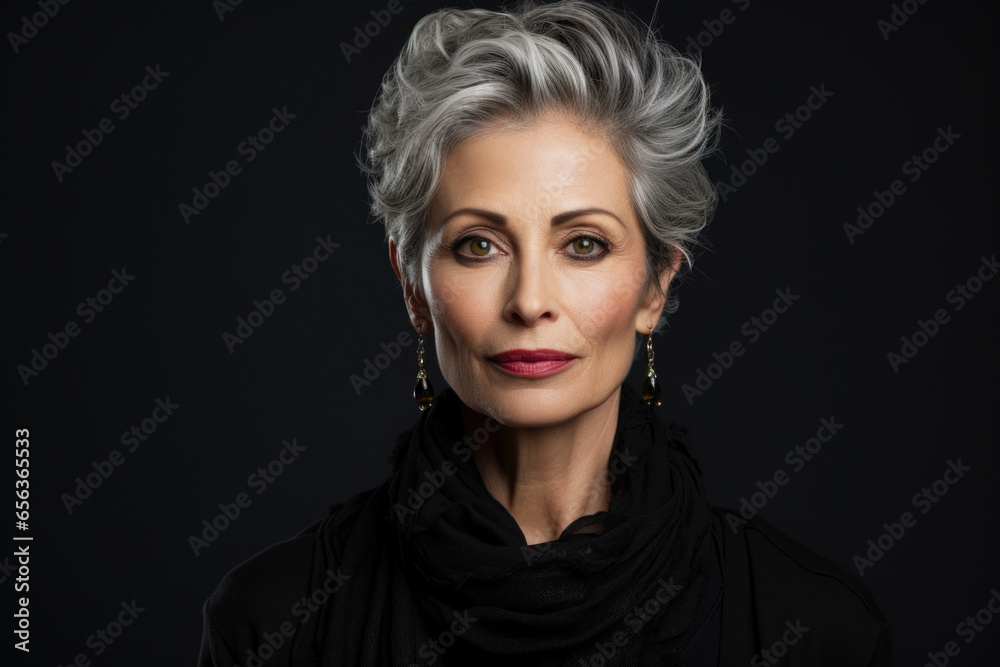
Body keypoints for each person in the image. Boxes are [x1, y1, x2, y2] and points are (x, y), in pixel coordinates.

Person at [198, 1, 893, 664]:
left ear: (657, 284)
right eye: (478, 245)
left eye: (584, 243)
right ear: (413, 284)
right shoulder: (275, 621)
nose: (530, 301)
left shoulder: (810, 628)